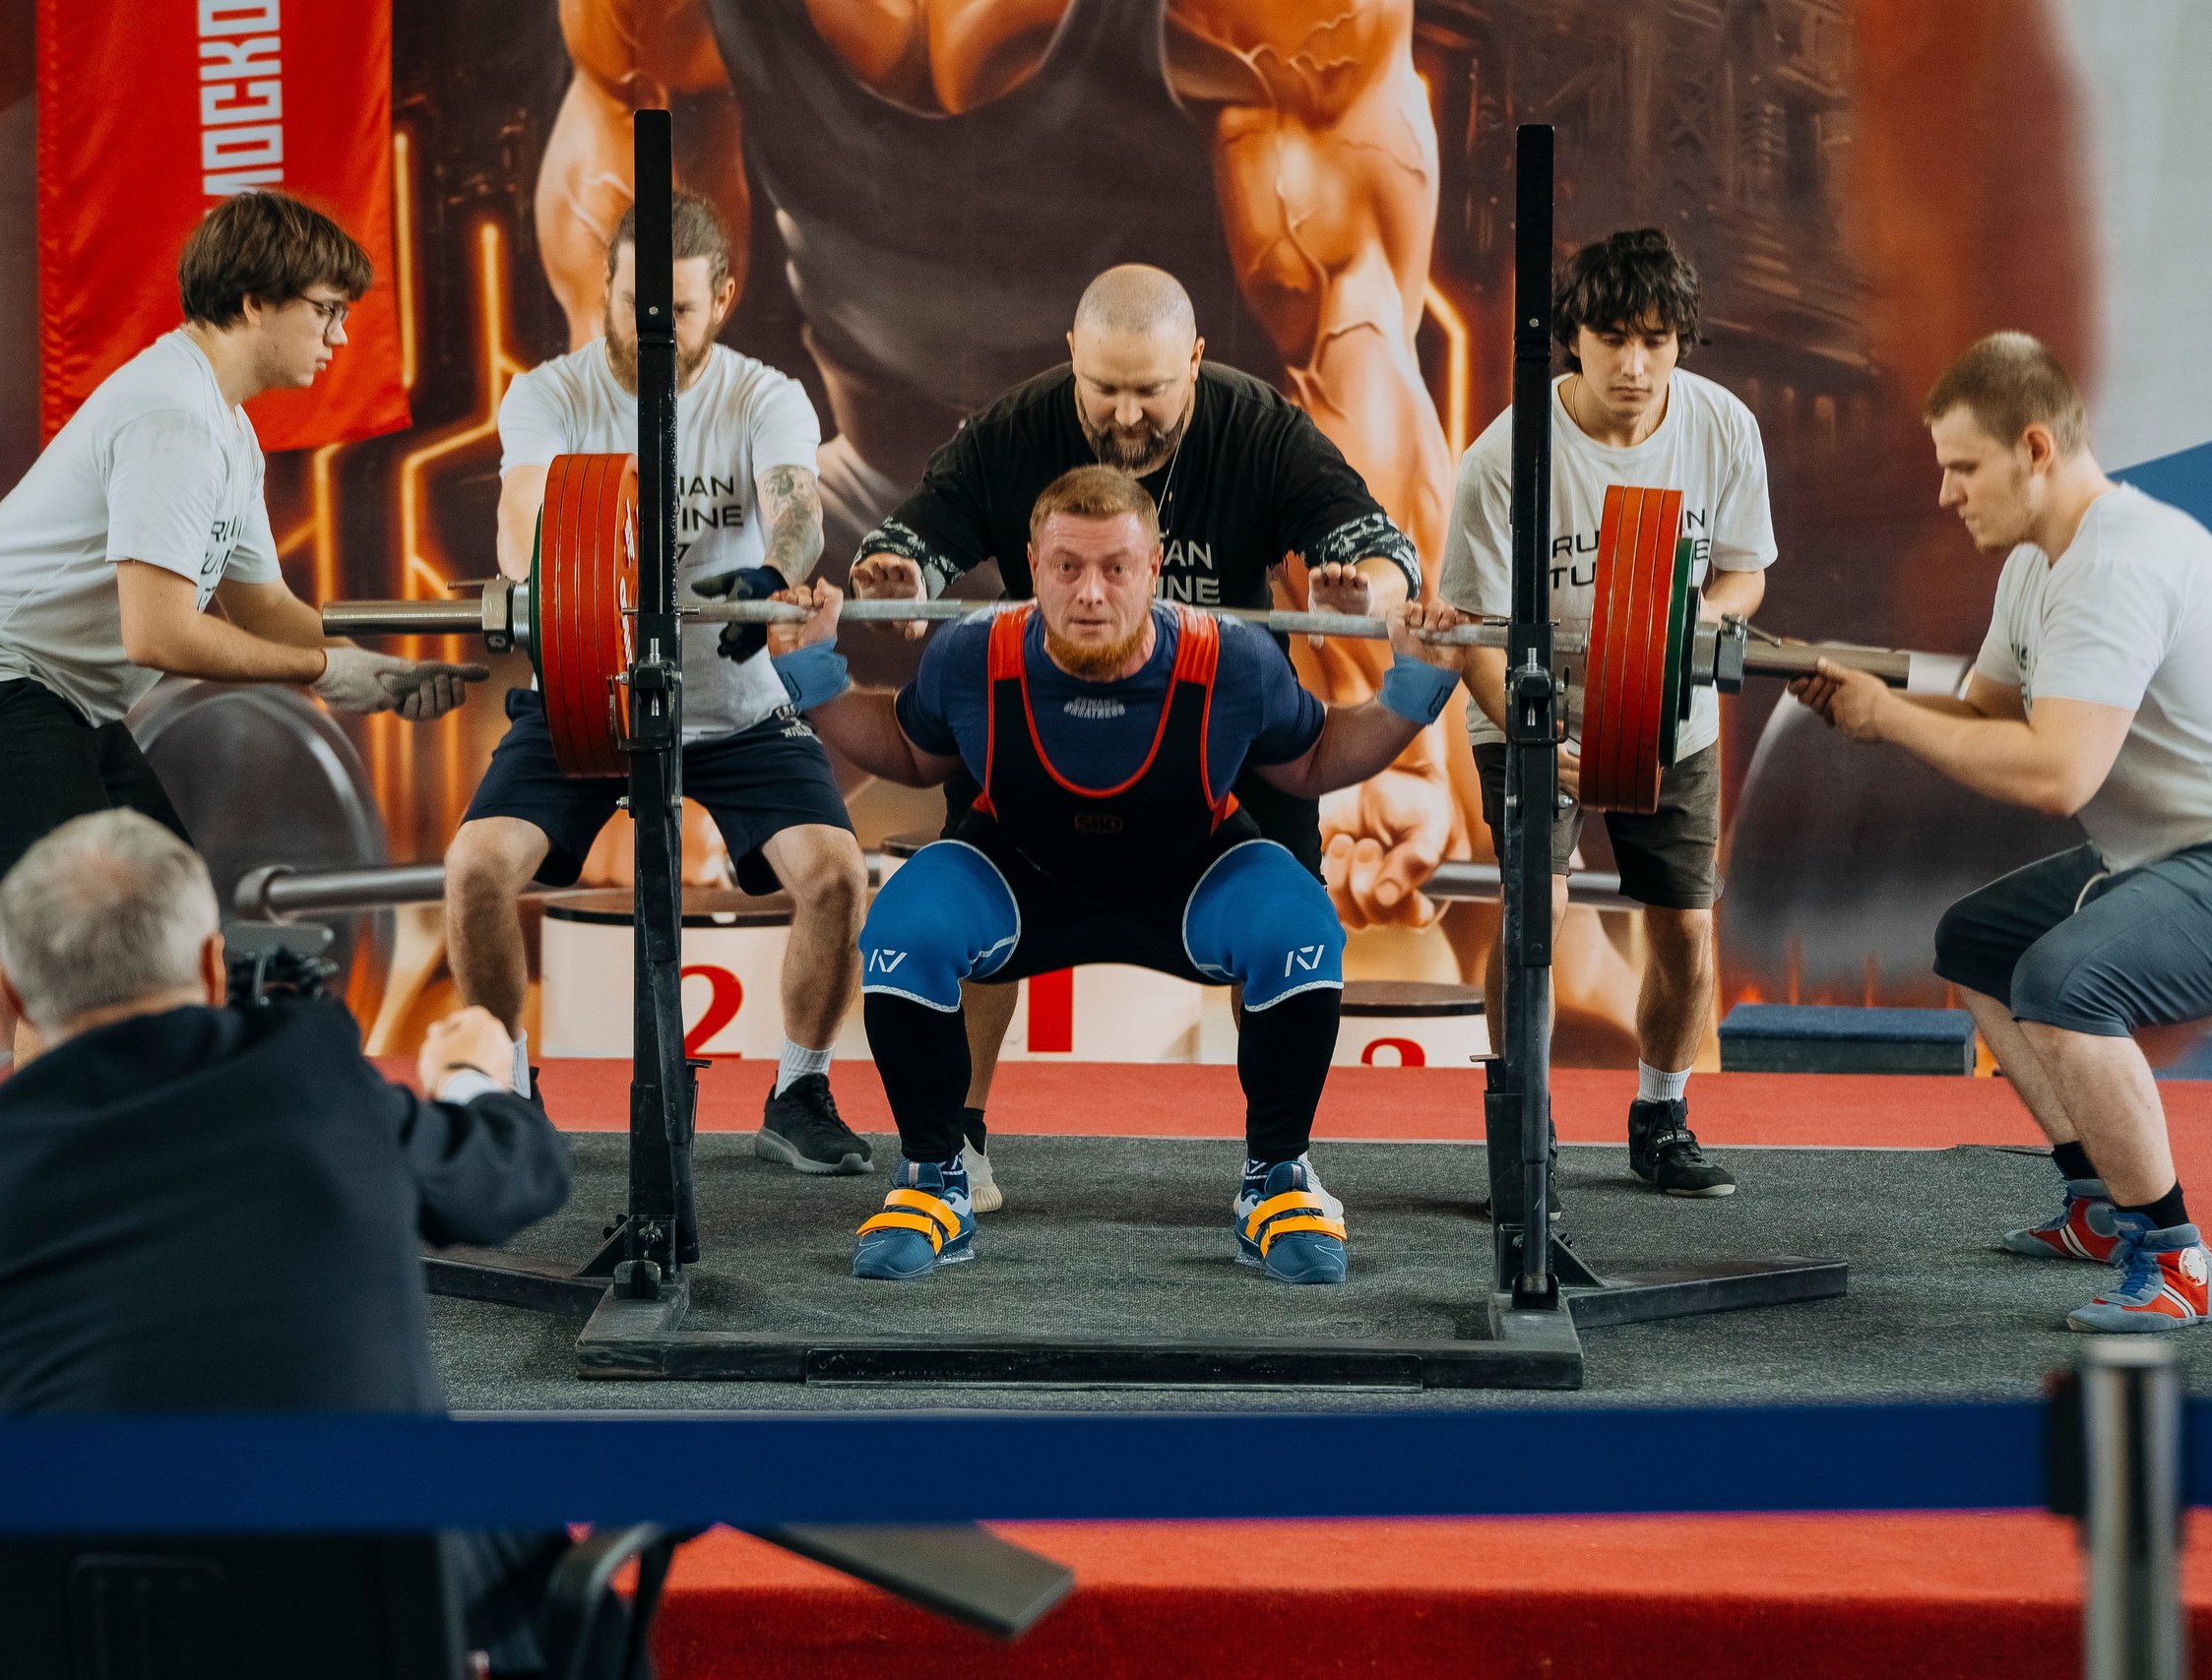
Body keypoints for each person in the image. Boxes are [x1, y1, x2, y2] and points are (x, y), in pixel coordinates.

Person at [1790, 333, 2212, 1333]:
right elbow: (1983, 712)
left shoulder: (2120, 562)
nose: (1946, 494)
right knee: (1978, 943)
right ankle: (2099, 1206)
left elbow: (2056, 772)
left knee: (2065, 983)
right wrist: (1854, 685)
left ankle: (2174, 1261)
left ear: (2035, 449)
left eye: (1963, 468)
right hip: (2170, 857)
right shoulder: (2035, 565)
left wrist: (1887, 721)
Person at [784, 467, 1468, 1284]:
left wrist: (1418, 683)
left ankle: (1277, 1177)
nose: (1091, 593)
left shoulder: (1233, 658)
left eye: (1116, 568)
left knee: (1300, 923)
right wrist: (812, 671)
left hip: (1188, 885)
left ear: (1156, 567)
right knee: (903, 923)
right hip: (1022, 881)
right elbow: (906, 750)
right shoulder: (973, 652)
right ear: (1033, 565)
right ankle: (934, 1178)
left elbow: (1316, 759)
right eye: (1067, 567)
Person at [840, 264, 1425, 1211]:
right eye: (1103, 388)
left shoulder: (1260, 429)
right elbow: (912, 542)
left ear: (1194, 361)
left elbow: (1380, 549)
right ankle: (964, 1143)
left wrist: (1362, 590)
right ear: (1071, 358)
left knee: (1281, 916)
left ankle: (1273, 1160)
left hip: (1220, 733)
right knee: (969, 893)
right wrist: (900, 577)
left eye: (1151, 391)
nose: (1123, 415)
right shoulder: (1015, 427)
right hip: (1039, 723)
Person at [0, 810, 588, 1668]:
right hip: (357, 1626)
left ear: (13, 994)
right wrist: (473, 1074)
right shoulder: (312, 1083)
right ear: (215, 966)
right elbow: (514, 1179)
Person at [446, 191, 872, 1194]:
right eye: (633, 304)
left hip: (734, 705)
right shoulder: (550, 394)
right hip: (586, 700)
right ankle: (509, 1087)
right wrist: (546, 563)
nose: (649, 329)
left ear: (719, 300)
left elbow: (798, 514)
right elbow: (521, 511)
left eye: (673, 312)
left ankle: (799, 1094)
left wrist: (774, 577)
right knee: (474, 871)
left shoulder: (763, 396)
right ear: (605, 291)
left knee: (835, 876)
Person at [0, 191, 485, 902]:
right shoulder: (174, 417)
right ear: (254, 303)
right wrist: (324, 670)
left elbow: (265, 607)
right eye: (327, 309)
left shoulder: (227, 431)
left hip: (57, 696)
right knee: (101, 938)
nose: (340, 336)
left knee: (176, 920)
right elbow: (158, 634)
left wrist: (373, 671)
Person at [1439, 229, 1776, 1199]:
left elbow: (1745, 573)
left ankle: (1661, 1116)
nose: (1634, 365)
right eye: (1612, 338)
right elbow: (1468, 631)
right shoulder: (1506, 457)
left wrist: (1696, 619)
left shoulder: (1721, 428)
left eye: (1657, 341)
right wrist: (1544, 739)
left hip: (1670, 711)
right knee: (1531, 917)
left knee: (1681, 928)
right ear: (1570, 336)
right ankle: (1524, 1126)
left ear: (1682, 341)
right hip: (1530, 704)